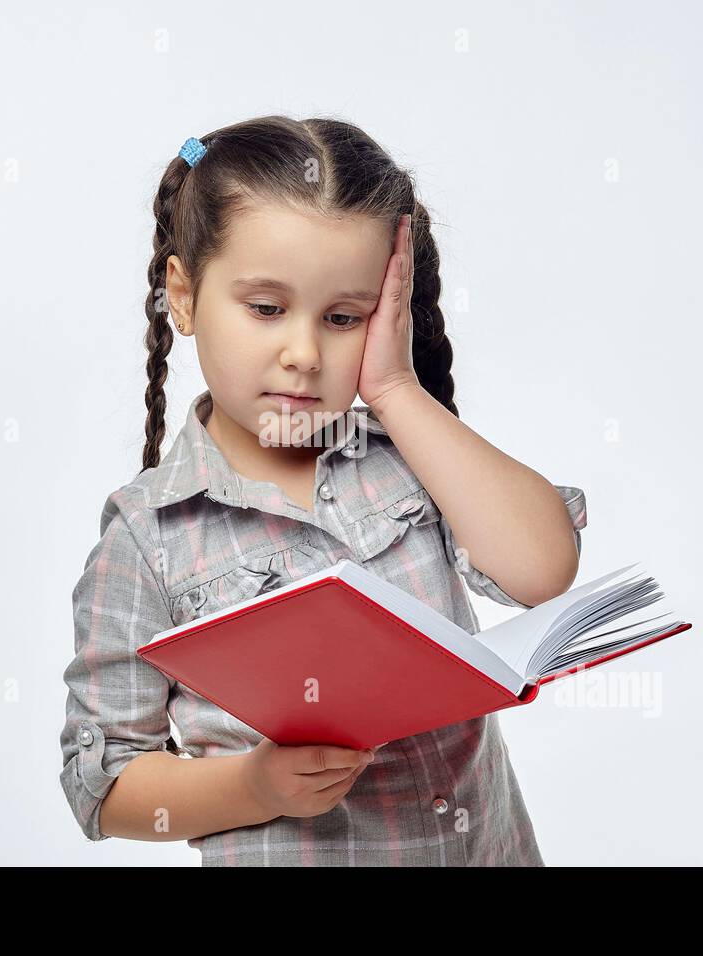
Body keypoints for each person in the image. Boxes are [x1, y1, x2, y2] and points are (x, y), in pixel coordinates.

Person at [59, 116, 587, 865]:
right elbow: (104, 786)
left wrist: (398, 388)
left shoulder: (411, 460)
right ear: (182, 296)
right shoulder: (148, 539)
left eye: (344, 318)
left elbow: (541, 570)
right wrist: (255, 787)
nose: (304, 353)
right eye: (266, 309)